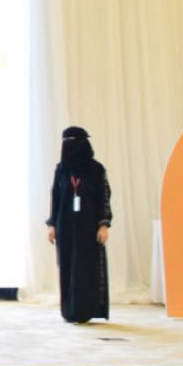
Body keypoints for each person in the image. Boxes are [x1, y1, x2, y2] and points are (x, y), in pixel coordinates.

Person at [47, 126, 112, 324]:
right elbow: (56, 197)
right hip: (65, 224)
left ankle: (85, 310)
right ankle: (70, 310)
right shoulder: (61, 169)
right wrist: (52, 225)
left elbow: (104, 197)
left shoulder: (96, 169)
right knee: (67, 265)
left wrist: (104, 224)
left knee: (86, 266)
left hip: (88, 225)